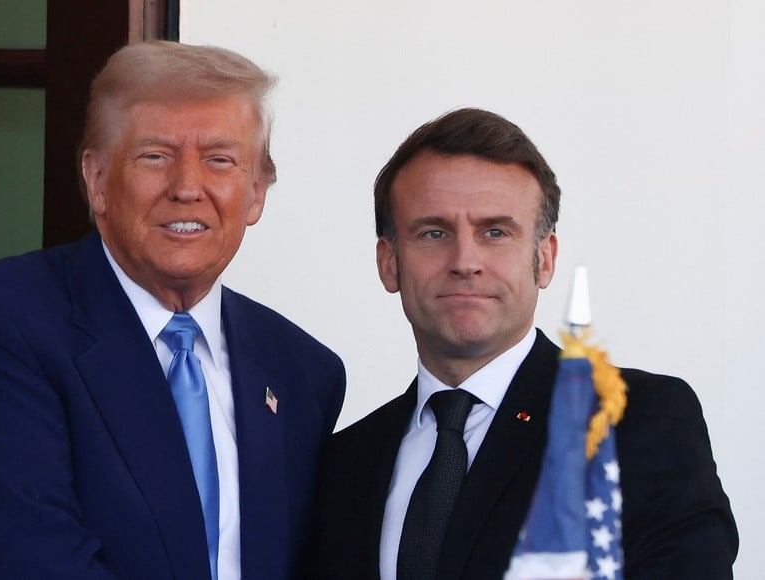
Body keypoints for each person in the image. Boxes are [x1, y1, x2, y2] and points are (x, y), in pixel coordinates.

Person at [0, 41, 345, 580]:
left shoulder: (303, 371)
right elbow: (31, 561)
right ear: (97, 181)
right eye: (155, 156)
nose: (187, 187)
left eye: (219, 160)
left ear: (256, 193)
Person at [309, 108, 737, 579]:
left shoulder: (635, 422)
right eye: (434, 232)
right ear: (389, 262)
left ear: (545, 259)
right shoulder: (343, 463)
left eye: (495, 232)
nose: (465, 261)